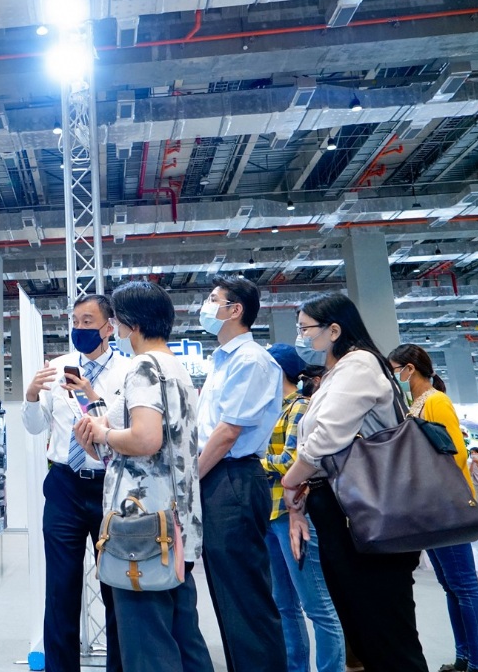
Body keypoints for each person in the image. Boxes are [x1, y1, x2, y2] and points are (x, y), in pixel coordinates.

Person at [280, 293, 428, 672]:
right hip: (346, 511)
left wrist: (291, 480)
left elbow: (327, 437)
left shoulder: (358, 364)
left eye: (305, 329)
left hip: (368, 513)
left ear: (334, 330)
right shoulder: (338, 371)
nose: (302, 337)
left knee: (387, 633)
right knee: (366, 630)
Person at [71, 280, 211, 672]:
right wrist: (101, 436)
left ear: (131, 323)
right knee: (182, 636)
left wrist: (103, 435)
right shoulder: (175, 368)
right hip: (174, 522)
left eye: (117, 319)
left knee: (147, 643)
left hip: (143, 526)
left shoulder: (144, 367)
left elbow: (146, 438)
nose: (115, 327)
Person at [22, 294, 130, 672]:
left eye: (88, 321)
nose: (79, 328)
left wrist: (90, 395)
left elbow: (126, 428)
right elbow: (35, 426)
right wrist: (31, 396)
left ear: (108, 327)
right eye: (75, 321)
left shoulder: (128, 371)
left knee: (115, 587)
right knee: (61, 587)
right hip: (64, 484)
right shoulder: (56, 368)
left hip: (110, 486)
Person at [194, 275, 287, 672]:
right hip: (219, 477)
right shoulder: (223, 360)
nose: (205, 306)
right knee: (228, 596)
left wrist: (190, 478)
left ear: (235, 310)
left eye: (213, 299)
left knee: (246, 598)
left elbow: (228, 432)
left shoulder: (251, 360)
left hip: (233, 477)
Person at [389, 344, 478, 672]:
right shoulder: (415, 404)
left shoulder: (436, 401)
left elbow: (456, 454)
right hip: (430, 509)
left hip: (447, 507)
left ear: (409, 369)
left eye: (394, 369)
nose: (393, 376)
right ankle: (464, 659)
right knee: (451, 587)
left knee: (464, 586)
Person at [263, 343, 345, 672]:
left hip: (294, 515)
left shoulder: (300, 407)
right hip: (270, 515)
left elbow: (293, 461)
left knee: (317, 606)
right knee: (284, 605)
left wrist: (254, 460)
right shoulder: (270, 411)